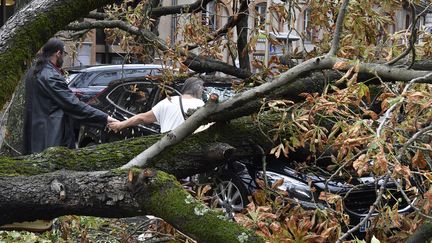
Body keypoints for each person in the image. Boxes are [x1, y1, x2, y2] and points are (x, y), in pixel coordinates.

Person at [23, 38, 117, 154]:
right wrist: (105, 118)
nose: (64, 57)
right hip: (51, 136)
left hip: (35, 134)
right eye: (64, 54)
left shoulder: (33, 72)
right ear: (58, 53)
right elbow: (73, 105)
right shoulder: (51, 76)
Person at [109, 77, 205, 133]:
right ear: (199, 91)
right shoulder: (201, 105)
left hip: (166, 145)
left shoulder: (169, 101)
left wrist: (120, 125)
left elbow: (142, 118)